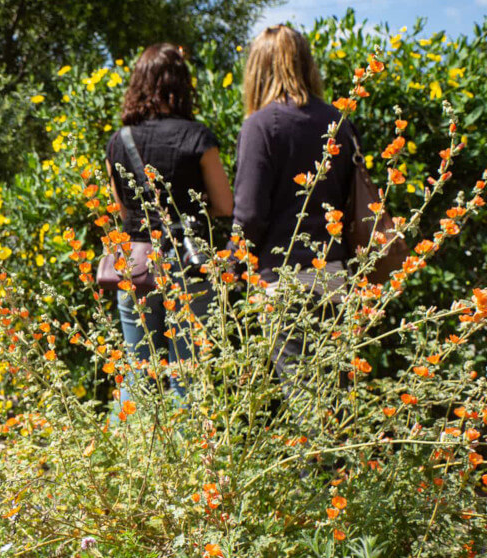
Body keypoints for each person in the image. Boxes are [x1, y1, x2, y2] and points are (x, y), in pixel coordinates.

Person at [105, 44, 233, 402]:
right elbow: (224, 205)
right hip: (186, 260)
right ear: (181, 84)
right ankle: (191, 457)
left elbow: (122, 210)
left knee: (137, 373)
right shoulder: (196, 136)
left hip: (136, 262)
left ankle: (132, 454)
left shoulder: (118, 141)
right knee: (187, 375)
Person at [233, 25, 358, 388]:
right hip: (334, 274)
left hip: (283, 282)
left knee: (303, 405)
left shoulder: (261, 125)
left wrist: (228, 261)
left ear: (258, 69)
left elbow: (250, 215)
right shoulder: (338, 121)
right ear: (306, 65)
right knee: (335, 399)